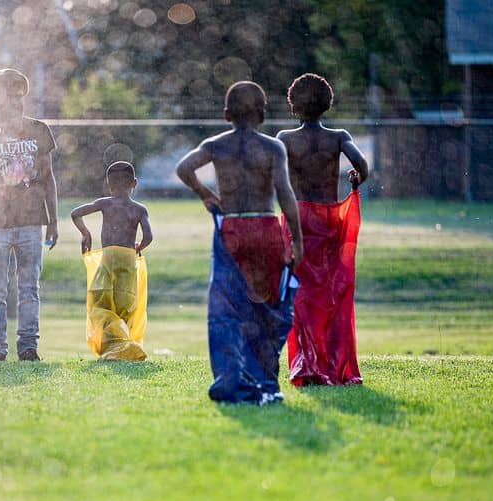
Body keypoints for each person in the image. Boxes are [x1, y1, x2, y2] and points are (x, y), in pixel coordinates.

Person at [176, 80, 303, 404]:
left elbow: (184, 168)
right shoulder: (273, 148)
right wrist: (296, 240)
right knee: (266, 308)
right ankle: (267, 386)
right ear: (261, 115)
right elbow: (285, 194)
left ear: (226, 114)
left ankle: (231, 379)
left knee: (226, 307)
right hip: (265, 227)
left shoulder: (217, 145)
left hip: (232, 229)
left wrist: (206, 194)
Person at [276, 72, 369, 386]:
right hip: (329, 220)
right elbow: (361, 165)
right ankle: (331, 363)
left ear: (293, 107)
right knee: (330, 292)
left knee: (299, 293)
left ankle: (308, 364)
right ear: (328, 105)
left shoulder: (285, 139)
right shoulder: (339, 136)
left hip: (297, 219)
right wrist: (357, 180)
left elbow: (272, 173)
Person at [0, 68, 59, 362]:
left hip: (31, 221)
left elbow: (47, 177)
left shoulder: (38, 129)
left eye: (15, 92)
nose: (10, 99)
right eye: (4, 92)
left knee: (29, 289)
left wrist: (54, 220)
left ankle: (28, 347)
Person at [70, 161, 153, 361]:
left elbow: (76, 214)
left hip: (107, 259)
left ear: (109, 184)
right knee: (126, 303)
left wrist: (85, 234)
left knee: (102, 302)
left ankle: (112, 347)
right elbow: (149, 236)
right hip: (126, 259)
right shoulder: (139, 209)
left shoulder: (104, 203)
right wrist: (139, 247)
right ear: (135, 183)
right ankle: (123, 348)